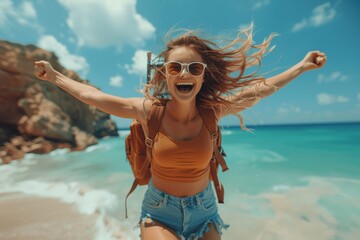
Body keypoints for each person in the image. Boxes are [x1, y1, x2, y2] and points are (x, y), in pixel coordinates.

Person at [33, 25, 326, 240]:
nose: (184, 73)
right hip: (160, 212)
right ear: (165, 74)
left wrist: (300, 67)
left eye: (193, 67)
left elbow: (257, 91)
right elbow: (93, 96)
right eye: (176, 67)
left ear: (202, 75)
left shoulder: (213, 112)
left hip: (205, 209)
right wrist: (54, 76)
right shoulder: (149, 111)